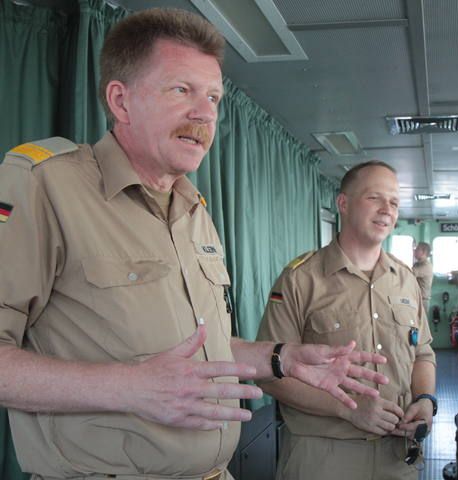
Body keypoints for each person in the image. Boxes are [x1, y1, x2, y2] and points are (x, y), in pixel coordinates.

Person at [0, 9, 389, 480]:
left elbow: (202, 352)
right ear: (121, 102)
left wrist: (280, 358)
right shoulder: (43, 186)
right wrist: (129, 387)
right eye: (181, 90)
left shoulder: (194, 209)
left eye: (213, 96)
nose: (204, 113)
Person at [256, 161, 437, 480]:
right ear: (343, 203)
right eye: (374, 198)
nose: (387, 210)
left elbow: (422, 354)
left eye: (394, 202)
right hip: (323, 459)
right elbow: (269, 373)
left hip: (397, 458)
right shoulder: (301, 280)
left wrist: (424, 400)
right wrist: (348, 407)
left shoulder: (406, 280)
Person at [412, 241, 433, 313]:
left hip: (422, 300)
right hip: (416, 298)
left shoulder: (426, 265)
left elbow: (410, 273)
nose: (414, 250)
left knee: (420, 323)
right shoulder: (417, 264)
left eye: (417, 249)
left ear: (423, 252)